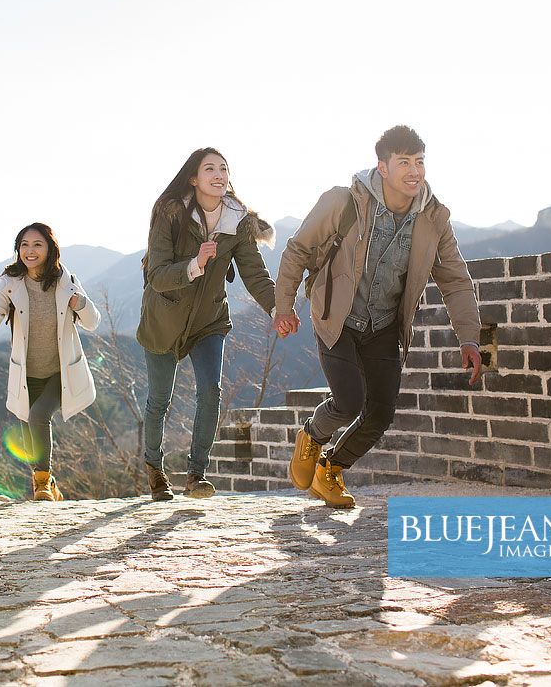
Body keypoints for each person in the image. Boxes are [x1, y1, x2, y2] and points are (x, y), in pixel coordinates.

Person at [274, 125, 482, 509]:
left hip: (385, 324)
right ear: (382, 167)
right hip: (336, 315)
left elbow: (455, 279)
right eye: (404, 162)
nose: (414, 171)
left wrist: (469, 337)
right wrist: (284, 306)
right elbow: (297, 250)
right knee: (349, 401)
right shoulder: (343, 202)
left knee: (381, 413)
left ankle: (331, 468)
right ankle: (312, 434)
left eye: (419, 161)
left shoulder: (434, 218)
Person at [137, 148, 277, 501]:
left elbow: (255, 274)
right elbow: (156, 274)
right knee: (159, 400)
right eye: (210, 168)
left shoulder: (237, 221)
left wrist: (280, 309)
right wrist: (194, 264)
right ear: (193, 179)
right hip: (164, 317)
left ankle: (196, 475)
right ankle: (155, 470)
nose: (219, 174)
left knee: (210, 392)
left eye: (224, 169)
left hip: (209, 320)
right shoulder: (171, 213)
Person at [0, 223, 101, 501]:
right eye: (24, 245)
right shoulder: (10, 283)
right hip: (26, 372)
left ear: (50, 248)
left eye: (37, 244)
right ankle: (50, 485)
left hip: (59, 371)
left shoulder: (66, 280)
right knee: (29, 432)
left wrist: (81, 304)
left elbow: (93, 322)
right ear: (18, 250)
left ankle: (42, 482)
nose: (30, 250)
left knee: (39, 416)